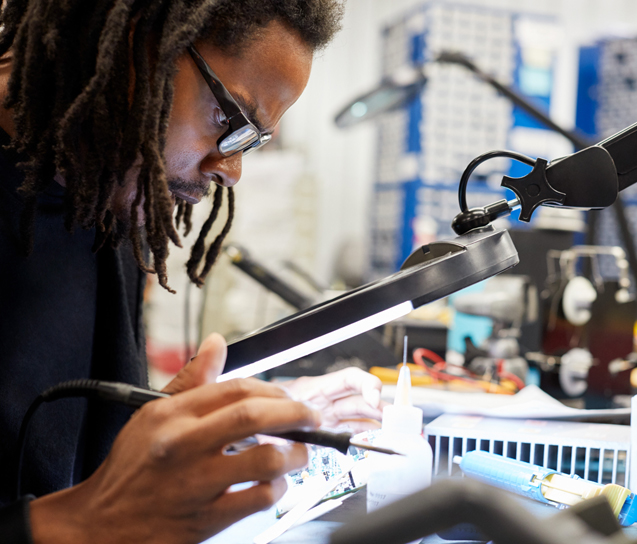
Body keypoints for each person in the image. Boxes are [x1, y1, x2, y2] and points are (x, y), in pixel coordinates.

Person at [0, 1, 385, 542]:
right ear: (138, 39)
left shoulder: (107, 197)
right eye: (231, 120)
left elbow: (71, 460)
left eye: (253, 140)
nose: (231, 170)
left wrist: (200, 433)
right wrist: (78, 523)